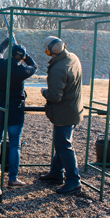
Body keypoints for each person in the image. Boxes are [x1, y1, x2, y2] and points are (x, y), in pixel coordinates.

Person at [0, 34, 38, 189]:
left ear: (10, 54)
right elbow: (34, 66)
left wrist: (7, 41)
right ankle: (13, 178)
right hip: (15, 111)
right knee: (15, 144)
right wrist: (25, 55)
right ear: (21, 58)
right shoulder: (22, 71)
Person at [39, 36, 83, 194]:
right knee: (62, 144)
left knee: (64, 146)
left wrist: (44, 92)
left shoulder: (58, 68)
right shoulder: (73, 57)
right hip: (73, 109)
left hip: (64, 113)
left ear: (50, 50)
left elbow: (55, 96)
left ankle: (73, 181)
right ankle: (56, 173)